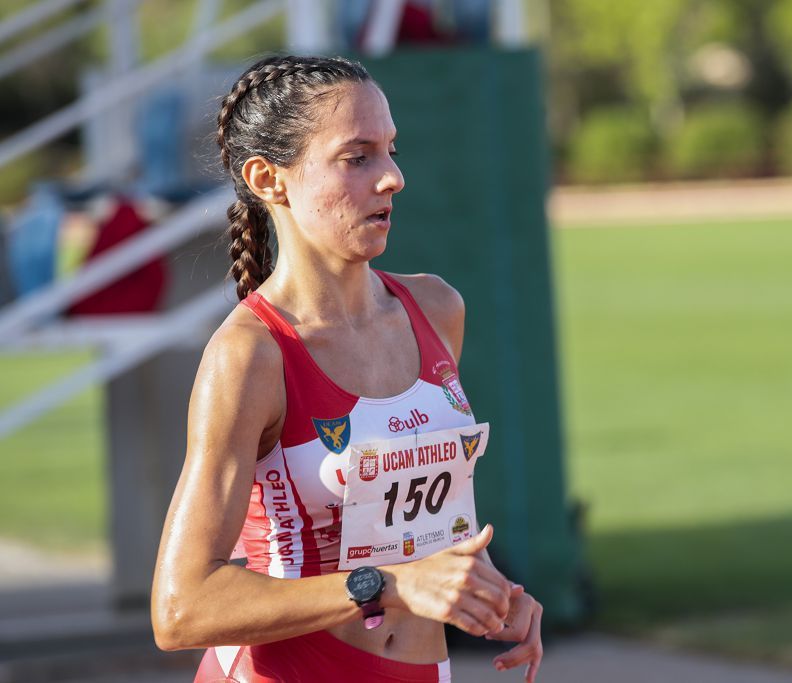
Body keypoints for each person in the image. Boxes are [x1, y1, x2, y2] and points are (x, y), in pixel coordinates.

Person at [151, 55, 544, 683]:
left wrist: (491, 589)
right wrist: (385, 585)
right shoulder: (250, 354)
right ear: (268, 179)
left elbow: (422, 524)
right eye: (357, 157)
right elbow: (180, 608)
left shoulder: (437, 308)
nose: (392, 178)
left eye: (390, 151)